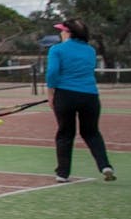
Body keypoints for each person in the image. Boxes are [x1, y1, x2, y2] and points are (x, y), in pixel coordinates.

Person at [46, 18, 115, 183]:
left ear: (69, 33)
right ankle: (105, 166)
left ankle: (62, 173)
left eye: (62, 30)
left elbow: (52, 73)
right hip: (90, 96)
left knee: (65, 133)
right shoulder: (90, 51)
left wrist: (51, 94)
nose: (60, 33)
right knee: (91, 132)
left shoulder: (57, 49)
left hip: (65, 95)